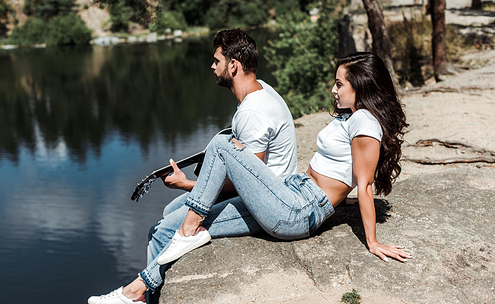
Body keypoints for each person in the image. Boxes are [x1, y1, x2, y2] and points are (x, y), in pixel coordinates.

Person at [88, 29, 298, 304]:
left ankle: (142, 297)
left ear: (233, 65)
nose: (212, 66)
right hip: (261, 190)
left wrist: (186, 184)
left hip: (266, 203)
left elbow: (249, 181)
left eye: (217, 60)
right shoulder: (261, 90)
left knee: (161, 231)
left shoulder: (253, 112)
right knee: (169, 210)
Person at [155, 51, 413, 269]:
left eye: (339, 84)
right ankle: (142, 289)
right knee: (170, 218)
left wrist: (373, 242)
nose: (333, 90)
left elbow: (365, 184)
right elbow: (344, 170)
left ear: (361, 85)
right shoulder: (353, 116)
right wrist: (342, 198)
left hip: (298, 211)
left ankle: (187, 231)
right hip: (292, 193)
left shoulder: (364, 122)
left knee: (223, 146)